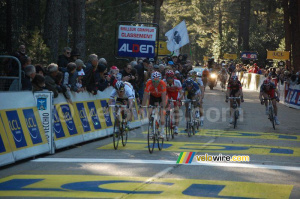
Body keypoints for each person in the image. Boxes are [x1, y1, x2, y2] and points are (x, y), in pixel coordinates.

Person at [141, 71, 167, 138]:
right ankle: (152, 130)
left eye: (157, 82)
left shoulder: (162, 83)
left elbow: (164, 97)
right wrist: (142, 106)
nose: (155, 83)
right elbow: (145, 96)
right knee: (150, 112)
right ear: (151, 80)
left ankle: (162, 132)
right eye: (154, 82)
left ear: (159, 80)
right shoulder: (149, 83)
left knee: (161, 113)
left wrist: (163, 106)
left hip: (161, 96)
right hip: (153, 96)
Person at [164, 70, 183, 135]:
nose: (169, 80)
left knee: (176, 110)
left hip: (175, 93)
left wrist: (179, 98)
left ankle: (176, 127)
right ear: (166, 78)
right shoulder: (163, 82)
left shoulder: (177, 82)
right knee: (165, 104)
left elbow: (181, 92)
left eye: (171, 78)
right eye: (168, 78)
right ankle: (167, 116)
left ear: (173, 78)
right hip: (168, 93)